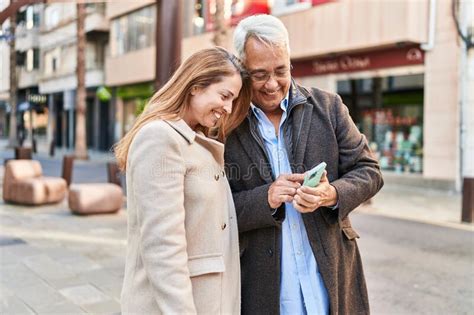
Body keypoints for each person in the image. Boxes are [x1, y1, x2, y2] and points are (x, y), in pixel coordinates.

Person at [224, 15, 384, 315]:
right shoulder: (225, 123)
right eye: (259, 75)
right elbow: (214, 210)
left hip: (329, 277)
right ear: (241, 69)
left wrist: (331, 194)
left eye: (280, 71)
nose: (272, 84)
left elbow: (369, 171)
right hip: (263, 285)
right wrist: (265, 198)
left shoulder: (329, 106)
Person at [115, 47, 251, 314]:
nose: (228, 108)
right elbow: (163, 246)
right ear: (195, 86)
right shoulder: (160, 138)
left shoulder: (194, 141)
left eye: (232, 100)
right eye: (224, 96)